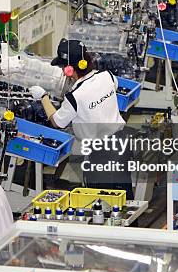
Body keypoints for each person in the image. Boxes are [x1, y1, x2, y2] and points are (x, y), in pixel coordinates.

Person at [29, 38, 132, 198]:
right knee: (124, 196)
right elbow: (108, 90)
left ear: (69, 70)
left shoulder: (75, 97)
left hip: (100, 155)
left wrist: (43, 96)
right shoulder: (108, 76)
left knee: (101, 201)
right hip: (121, 144)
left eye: (63, 67)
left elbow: (57, 121)